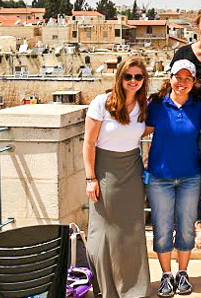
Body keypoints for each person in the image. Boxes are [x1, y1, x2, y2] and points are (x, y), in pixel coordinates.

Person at [83, 57, 150, 298]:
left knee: (131, 231)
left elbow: (151, 127)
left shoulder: (144, 107)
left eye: (138, 77)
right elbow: (89, 142)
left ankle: (134, 289)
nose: (133, 81)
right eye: (128, 76)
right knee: (103, 231)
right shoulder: (102, 103)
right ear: (119, 77)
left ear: (144, 80)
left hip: (131, 171)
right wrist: (90, 178)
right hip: (104, 171)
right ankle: (104, 287)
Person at [143, 60, 201, 297]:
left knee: (187, 227)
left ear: (193, 81)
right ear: (169, 78)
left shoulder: (198, 106)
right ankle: (166, 275)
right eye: (177, 77)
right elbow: (137, 128)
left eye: (187, 78)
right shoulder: (157, 105)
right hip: (160, 177)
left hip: (190, 176)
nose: (182, 82)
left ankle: (183, 272)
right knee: (162, 227)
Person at [171, 6, 201, 248]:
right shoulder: (183, 53)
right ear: (197, 26)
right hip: (189, 119)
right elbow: (172, 83)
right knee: (191, 170)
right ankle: (197, 223)